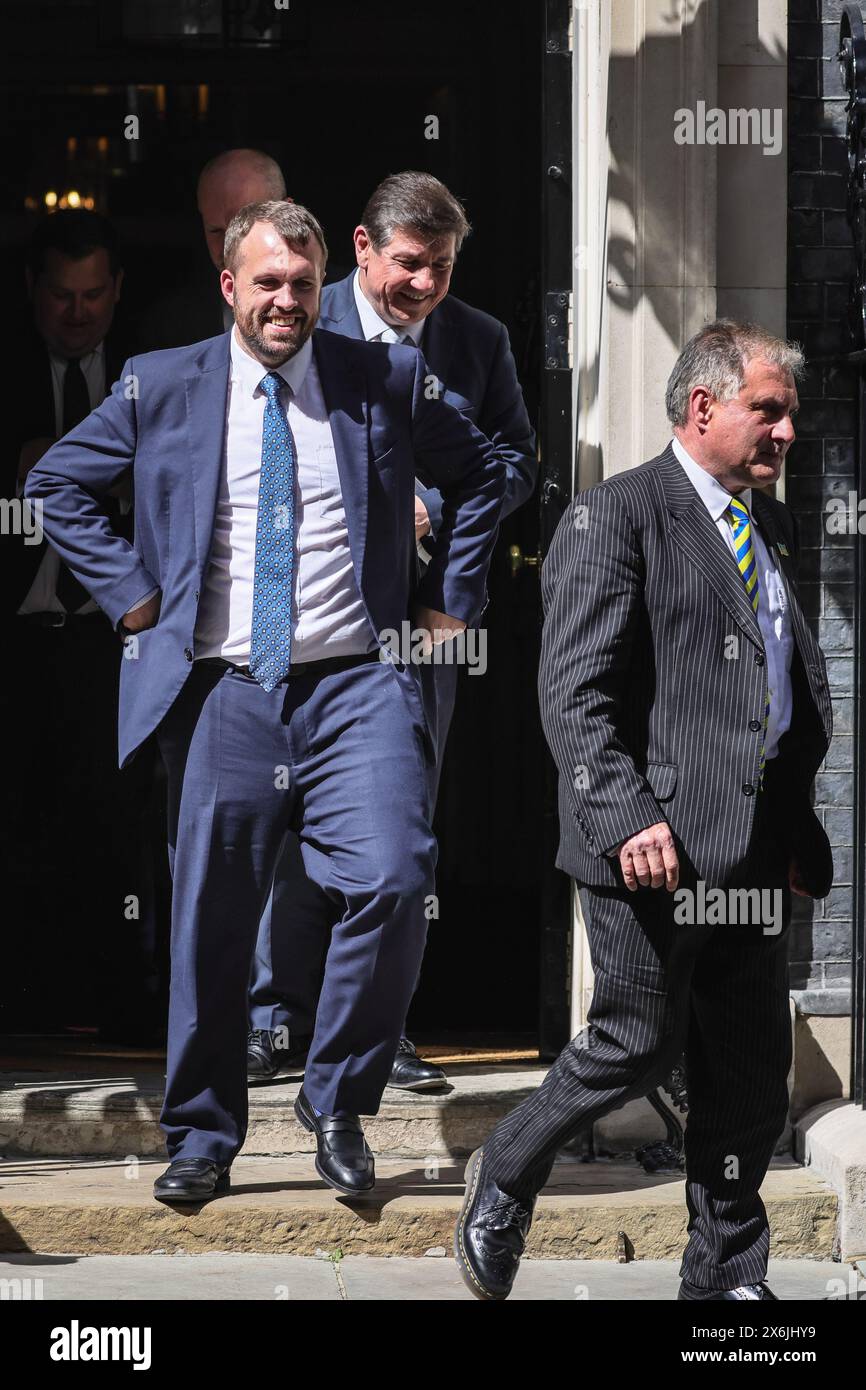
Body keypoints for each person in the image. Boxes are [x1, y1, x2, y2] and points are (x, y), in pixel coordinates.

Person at [26, 200, 505, 1203]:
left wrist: (446, 599)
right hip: (224, 690)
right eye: (267, 282)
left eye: (301, 282)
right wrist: (135, 601)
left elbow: (488, 471)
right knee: (210, 918)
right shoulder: (161, 384)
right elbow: (58, 482)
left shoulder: (384, 375)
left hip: (356, 681)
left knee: (392, 875)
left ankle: (334, 1099)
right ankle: (201, 1136)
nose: (286, 299)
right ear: (229, 286)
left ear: (320, 283)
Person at [453, 320, 834, 1301]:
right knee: (635, 1037)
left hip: (749, 853)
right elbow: (574, 695)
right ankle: (503, 1171)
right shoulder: (613, 516)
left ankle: (724, 1281)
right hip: (648, 847)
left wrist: (792, 828)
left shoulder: (768, 525)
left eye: (787, 411)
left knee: (747, 1075)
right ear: (701, 407)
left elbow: (774, 694)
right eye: (768, 408)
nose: (786, 430)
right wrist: (623, 816)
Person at [247, 171, 537, 1091]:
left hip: (415, 627)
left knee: (397, 832)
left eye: (443, 268)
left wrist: (439, 527)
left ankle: (375, 1030)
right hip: (292, 616)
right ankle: (266, 1020)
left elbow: (515, 462)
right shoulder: (296, 312)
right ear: (363, 249)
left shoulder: (478, 341)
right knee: (281, 821)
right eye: (410, 264)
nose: (425, 285)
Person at [0, 209, 158, 1037]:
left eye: (94, 294)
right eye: (61, 295)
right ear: (32, 291)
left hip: (114, 641)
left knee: (114, 827)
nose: (77, 313)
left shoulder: (149, 370)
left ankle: (123, 1009)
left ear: (118, 289)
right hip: (15, 642)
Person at [137, 148, 288, 349]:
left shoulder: (338, 304)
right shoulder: (171, 324)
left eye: (243, 228)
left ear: (287, 216)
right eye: (216, 231)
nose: (229, 247)